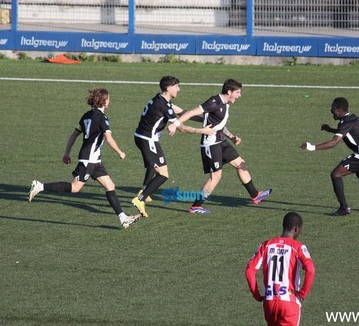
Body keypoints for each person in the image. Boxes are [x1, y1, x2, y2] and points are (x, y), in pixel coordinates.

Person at [28, 88, 141, 229]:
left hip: (94, 159)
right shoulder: (102, 118)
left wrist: (66, 153)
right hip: (89, 159)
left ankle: (123, 218)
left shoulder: (86, 116)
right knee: (75, 188)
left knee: (110, 186)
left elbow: (73, 135)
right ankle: (39, 186)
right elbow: (108, 137)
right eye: (108, 99)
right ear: (104, 101)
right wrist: (119, 152)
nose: (109, 101)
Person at [168, 78, 272, 214]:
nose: (239, 95)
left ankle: (255, 195)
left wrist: (231, 136)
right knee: (215, 177)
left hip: (221, 142)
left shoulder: (225, 104)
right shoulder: (214, 102)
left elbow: (219, 124)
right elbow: (191, 112)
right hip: (211, 145)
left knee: (241, 164)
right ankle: (196, 206)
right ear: (229, 92)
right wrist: (175, 124)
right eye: (238, 92)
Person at [132, 76, 215, 218]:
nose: (179, 89)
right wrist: (203, 130)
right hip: (148, 140)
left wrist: (204, 120)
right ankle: (140, 199)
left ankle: (145, 191)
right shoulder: (164, 106)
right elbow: (181, 128)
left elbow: (182, 112)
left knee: (154, 166)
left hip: (142, 137)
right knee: (163, 174)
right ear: (168, 88)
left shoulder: (161, 100)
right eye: (176, 86)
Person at [300, 96, 359, 216]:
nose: (330, 111)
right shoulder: (353, 118)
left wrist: (311, 147)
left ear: (339, 110)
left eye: (332, 108)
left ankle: (344, 208)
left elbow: (334, 143)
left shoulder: (345, 123)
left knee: (336, 174)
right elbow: (348, 132)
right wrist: (330, 130)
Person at [245, 212, 315, 326]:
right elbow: (310, 270)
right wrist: (303, 294)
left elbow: (250, 270)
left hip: (269, 302)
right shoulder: (298, 247)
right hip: (289, 303)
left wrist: (256, 294)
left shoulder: (266, 245)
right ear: (296, 229)